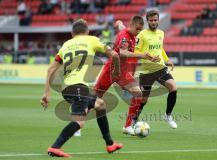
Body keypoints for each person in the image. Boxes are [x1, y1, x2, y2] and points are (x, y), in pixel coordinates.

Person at [40, 19, 122, 158]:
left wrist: (46, 94)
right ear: (87, 31)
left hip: (67, 88)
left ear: (72, 33)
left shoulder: (66, 45)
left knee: (100, 104)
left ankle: (110, 143)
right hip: (78, 87)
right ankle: (54, 147)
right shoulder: (92, 39)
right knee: (80, 121)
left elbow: (50, 70)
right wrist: (116, 71)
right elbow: (114, 54)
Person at [94, 15, 159, 136]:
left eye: (141, 30)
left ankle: (128, 126)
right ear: (132, 25)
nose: (138, 32)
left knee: (138, 93)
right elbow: (123, 53)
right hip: (111, 70)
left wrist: (118, 22)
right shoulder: (124, 37)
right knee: (95, 98)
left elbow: (120, 25)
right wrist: (141, 55)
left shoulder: (128, 31)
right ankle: (78, 123)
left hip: (123, 73)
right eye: (138, 30)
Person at [127, 10, 178, 129]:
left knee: (173, 87)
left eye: (155, 20)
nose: (153, 22)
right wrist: (147, 55)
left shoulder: (161, 33)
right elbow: (136, 51)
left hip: (160, 67)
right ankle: (134, 119)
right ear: (147, 21)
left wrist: (167, 59)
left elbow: (161, 48)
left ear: (158, 20)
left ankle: (168, 115)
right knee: (144, 100)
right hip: (147, 70)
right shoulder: (142, 35)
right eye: (151, 20)